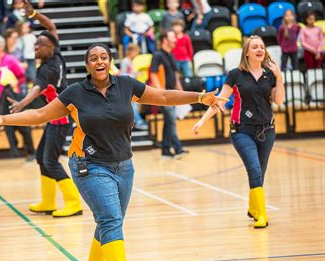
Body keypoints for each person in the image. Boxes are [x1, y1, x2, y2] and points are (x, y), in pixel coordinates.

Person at [0, 43, 226, 261]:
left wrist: (199, 97)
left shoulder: (126, 84)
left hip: (124, 165)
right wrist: (4, 119)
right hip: (88, 165)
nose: (99, 61)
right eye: (93, 58)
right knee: (110, 220)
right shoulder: (75, 93)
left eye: (103, 57)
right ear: (87, 66)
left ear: (110, 61)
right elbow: (40, 114)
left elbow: (163, 97)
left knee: (110, 219)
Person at [193, 35, 285, 229]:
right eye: (254, 47)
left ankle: (253, 208)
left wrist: (279, 78)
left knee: (260, 173)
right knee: (254, 169)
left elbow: (279, 100)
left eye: (262, 47)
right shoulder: (236, 74)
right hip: (241, 130)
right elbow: (220, 100)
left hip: (267, 130)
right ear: (247, 52)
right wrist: (202, 120)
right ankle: (262, 216)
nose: (259, 49)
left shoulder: (270, 74)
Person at [5, 2, 83, 218]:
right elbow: (51, 26)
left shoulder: (48, 68)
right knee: (41, 157)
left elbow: (37, 89)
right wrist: (35, 14)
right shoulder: (55, 56)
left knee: (49, 160)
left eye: (40, 45)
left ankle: (73, 202)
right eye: (35, 45)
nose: (36, 47)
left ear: (50, 48)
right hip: (55, 118)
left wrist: (21, 103)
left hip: (61, 120)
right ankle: (48, 201)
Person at [0, 34, 34, 164]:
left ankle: (31, 152)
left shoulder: (10, 59)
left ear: (1, 46)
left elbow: (22, 77)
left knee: (22, 125)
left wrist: (15, 84)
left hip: (11, 98)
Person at [150, 30, 189, 159]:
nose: (175, 40)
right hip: (163, 96)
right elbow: (153, 74)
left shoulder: (171, 55)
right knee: (171, 120)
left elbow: (175, 75)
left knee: (169, 121)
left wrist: (181, 92)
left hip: (172, 95)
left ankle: (166, 150)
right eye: (172, 37)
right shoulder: (158, 55)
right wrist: (161, 93)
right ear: (165, 40)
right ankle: (177, 149)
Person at [120, 43, 148, 130]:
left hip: (130, 86)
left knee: (134, 105)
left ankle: (136, 121)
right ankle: (138, 122)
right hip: (126, 87)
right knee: (133, 105)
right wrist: (135, 75)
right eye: (136, 51)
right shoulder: (125, 61)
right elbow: (123, 75)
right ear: (131, 52)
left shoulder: (131, 61)